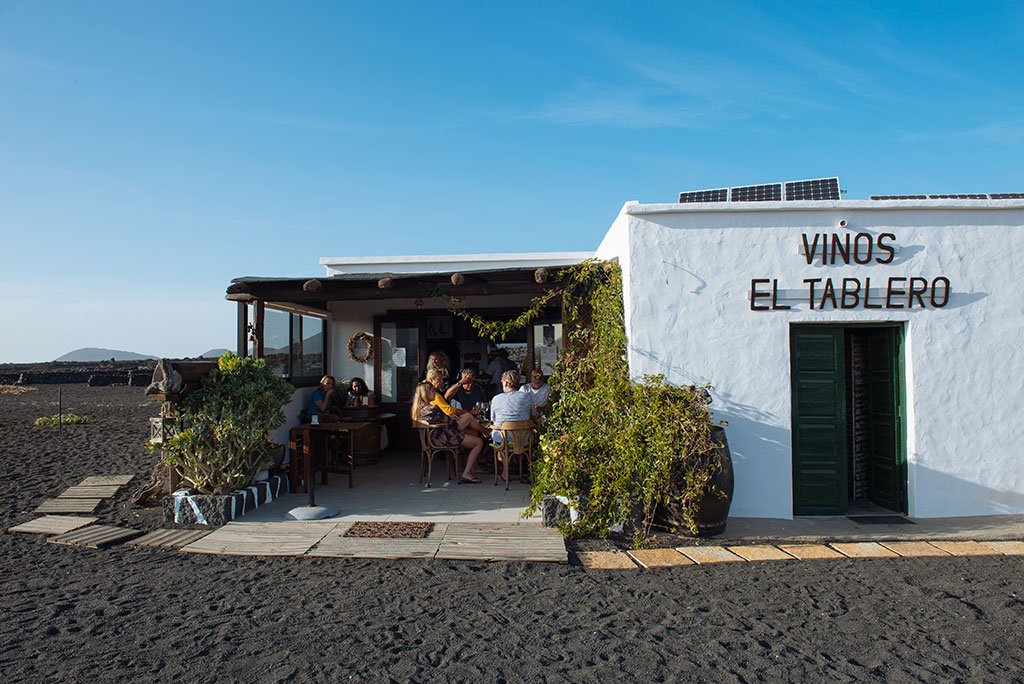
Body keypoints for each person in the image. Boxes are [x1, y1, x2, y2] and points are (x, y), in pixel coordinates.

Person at [411, 381, 484, 484]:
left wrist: (449, 417)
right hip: (444, 437)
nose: (435, 394)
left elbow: (444, 419)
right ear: (426, 393)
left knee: (470, 426)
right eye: (432, 391)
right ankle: (467, 473)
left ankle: (485, 433)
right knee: (478, 442)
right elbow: (451, 423)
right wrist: (451, 417)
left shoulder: (418, 409)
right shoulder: (433, 409)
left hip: (432, 438)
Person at [490, 369, 538, 482]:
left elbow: (493, 421)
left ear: (505, 383)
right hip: (524, 439)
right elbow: (534, 418)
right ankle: (526, 471)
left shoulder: (496, 399)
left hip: (503, 439)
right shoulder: (527, 397)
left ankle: (505, 473)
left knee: (499, 439)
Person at [425, 369, 490, 440]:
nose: (442, 382)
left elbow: (485, 404)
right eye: (439, 379)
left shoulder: (478, 389)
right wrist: (461, 383)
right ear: (431, 380)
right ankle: (485, 432)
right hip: (442, 428)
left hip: (449, 423)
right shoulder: (435, 395)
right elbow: (448, 405)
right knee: (472, 426)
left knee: (475, 431)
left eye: (472, 382)